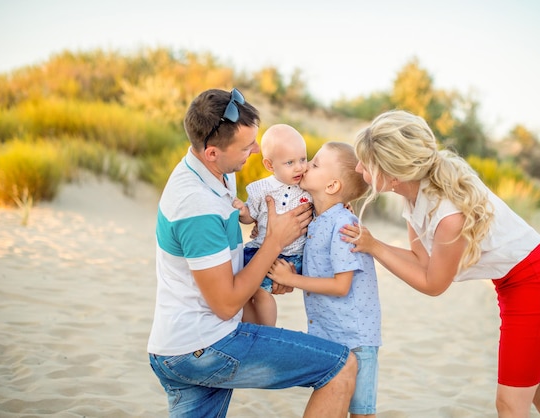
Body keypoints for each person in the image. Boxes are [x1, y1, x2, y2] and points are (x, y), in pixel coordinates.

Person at [340, 110, 540, 418]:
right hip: (519, 284)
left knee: (509, 404)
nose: (359, 169)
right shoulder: (413, 195)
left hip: (536, 284)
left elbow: (434, 284)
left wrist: (374, 246)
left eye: (366, 165)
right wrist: (373, 245)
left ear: (394, 174)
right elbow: (420, 261)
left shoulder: (448, 215)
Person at [147, 88, 357, 418]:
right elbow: (226, 302)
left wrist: (271, 274)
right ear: (213, 152)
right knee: (343, 365)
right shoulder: (196, 206)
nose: (256, 150)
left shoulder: (215, 173)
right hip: (205, 347)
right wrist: (275, 240)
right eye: (247, 146)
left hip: (182, 343)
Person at [269, 141, 382, 418]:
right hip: (330, 334)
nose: (306, 166)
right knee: (335, 403)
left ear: (332, 186)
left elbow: (341, 286)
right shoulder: (320, 218)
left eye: (315, 164)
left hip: (355, 336)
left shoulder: (343, 224)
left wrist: (291, 280)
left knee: (361, 413)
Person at [233, 123, 312, 326]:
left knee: (259, 291)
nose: (299, 167)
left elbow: (327, 202)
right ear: (270, 165)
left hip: (292, 256)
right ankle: (250, 326)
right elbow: (252, 217)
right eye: (290, 162)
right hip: (260, 249)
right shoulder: (262, 190)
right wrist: (244, 212)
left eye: (303, 159)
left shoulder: (307, 185)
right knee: (237, 279)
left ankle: (269, 331)